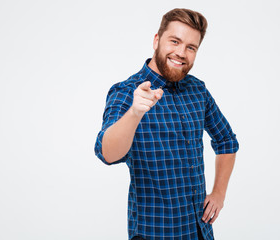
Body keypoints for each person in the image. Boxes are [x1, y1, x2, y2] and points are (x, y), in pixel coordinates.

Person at [94, 8, 239, 240]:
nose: (181, 53)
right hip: (156, 232)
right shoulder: (127, 92)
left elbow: (226, 141)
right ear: (157, 40)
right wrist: (134, 112)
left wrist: (219, 193)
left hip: (200, 231)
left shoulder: (198, 90)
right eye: (175, 41)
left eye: (191, 47)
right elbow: (106, 153)